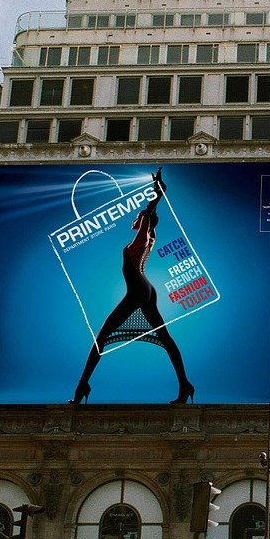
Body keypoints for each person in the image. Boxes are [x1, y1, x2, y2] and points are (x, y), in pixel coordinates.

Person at [69, 169, 194, 406]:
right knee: (165, 338)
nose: (134, 220)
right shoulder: (149, 237)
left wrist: (157, 192)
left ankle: (82, 385)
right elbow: (149, 216)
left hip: (138, 288)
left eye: (137, 217)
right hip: (146, 288)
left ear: (144, 221)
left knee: (102, 337)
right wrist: (157, 193)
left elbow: (149, 212)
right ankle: (185, 384)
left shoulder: (142, 234)